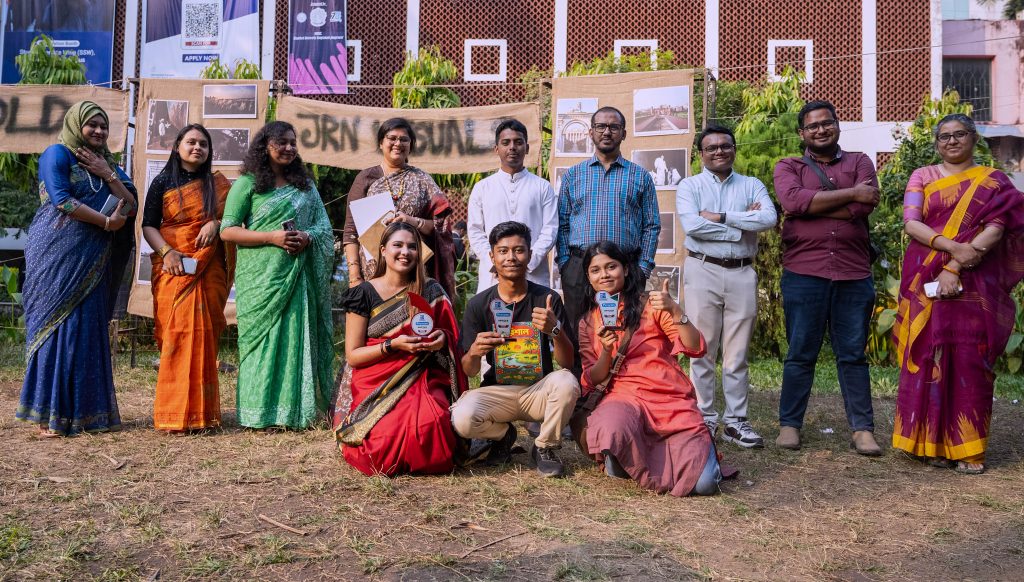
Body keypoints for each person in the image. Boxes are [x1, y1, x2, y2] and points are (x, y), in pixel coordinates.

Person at [892, 114, 1024, 475]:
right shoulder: (922, 176)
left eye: (959, 134)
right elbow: (911, 222)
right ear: (937, 143)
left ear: (974, 138)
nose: (951, 141)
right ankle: (930, 444)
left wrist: (955, 266)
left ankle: (968, 449)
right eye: (944, 136)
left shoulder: (994, 181)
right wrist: (952, 248)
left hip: (975, 280)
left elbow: (998, 227)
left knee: (970, 358)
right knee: (929, 353)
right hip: (926, 277)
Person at [16, 100, 137, 436]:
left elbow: (130, 203)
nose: (98, 131)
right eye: (91, 124)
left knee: (86, 330)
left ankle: (86, 414)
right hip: (55, 254)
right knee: (54, 329)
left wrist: (107, 173)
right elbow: (62, 201)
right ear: (75, 125)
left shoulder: (107, 163)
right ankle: (48, 417)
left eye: (103, 126)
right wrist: (106, 223)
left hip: (92, 260)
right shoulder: (57, 154)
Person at [772, 100, 881, 455]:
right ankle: (790, 425)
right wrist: (850, 194)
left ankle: (862, 430)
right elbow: (792, 202)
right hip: (804, 272)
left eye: (826, 123)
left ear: (837, 125)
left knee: (852, 354)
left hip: (853, 272)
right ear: (802, 133)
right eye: (812, 126)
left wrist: (814, 204)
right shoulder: (789, 166)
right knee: (800, 352)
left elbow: (867, 204)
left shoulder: (860, 161)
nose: (820, 129)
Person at [577, 241, 721, 496]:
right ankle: (627, 454)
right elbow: (592, 379)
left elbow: (696, 347)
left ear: (626, 269)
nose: (604, 275)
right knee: (612, 432)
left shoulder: (653, 306)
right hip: (624, 400)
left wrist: (675, 310)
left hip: (669, 400)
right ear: (588, 278)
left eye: (611, 266)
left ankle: (700, 445)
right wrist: (607, 351)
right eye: (595, 270)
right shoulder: (588, 322)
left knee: (705, 485)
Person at [220, 121, 334, 430]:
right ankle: (257, 412)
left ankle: (292, 412)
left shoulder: (305, 185)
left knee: (294, 338)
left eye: (293, 143)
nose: (288, 148)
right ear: (264, 145)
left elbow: (323, 228)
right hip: (261, 278)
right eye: (281, 142)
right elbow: (227, 230)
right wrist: (272, 237)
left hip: (297, 276)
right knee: (261, 342)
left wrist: (307, 237)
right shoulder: (247, 183)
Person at [336, 221, 467, 476]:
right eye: (398, 245)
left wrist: (442, 339)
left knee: (432, 423)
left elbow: (453, 339)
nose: (405, 252)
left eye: (412, 246)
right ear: (383, 250)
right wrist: (392, 345)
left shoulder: (431, 290)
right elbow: (353, 356)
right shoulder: (363, 293)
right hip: (376, 382)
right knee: (381, 445)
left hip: (423, 377)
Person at [676, 125, 777, 447]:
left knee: (738, 353)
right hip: (702, 269)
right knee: (702, 349)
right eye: (711, 147)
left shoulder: (751, 185)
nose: (719, 151)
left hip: (742, 272)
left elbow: (768, 219)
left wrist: (719, 217)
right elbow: (692, 226)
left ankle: (736, 421)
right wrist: (740, 225)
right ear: (701, 154)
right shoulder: (689, 186)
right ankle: (704, 418)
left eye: (725, 146)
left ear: (734, 149)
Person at [452, 221, 579, 478]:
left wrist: (555, 330)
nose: (511, 257)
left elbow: (567, 362)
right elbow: (469, 370)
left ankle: (544, 446)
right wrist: (475, 351)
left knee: (567, 382)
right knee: (462, 418)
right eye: (503, 251)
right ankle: (503, 435)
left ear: (530, 255)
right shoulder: (479, 304)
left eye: (519, 250)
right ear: (492, 257)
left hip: (538, 391)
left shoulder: (547, 299)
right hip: (497, 392)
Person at [142, 124, 232, 433]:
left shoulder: (217, 185)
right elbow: (148, 225)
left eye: (203, 144)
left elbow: (235, 219)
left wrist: (216, 223)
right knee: (176, 335)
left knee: (204, 335)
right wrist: (167, 252)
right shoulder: (162, 181)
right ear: (177, 146)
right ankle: (172, 413)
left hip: (208, 270)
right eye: (191, 142)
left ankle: (203, 414)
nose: (197, 148)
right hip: (173, 268)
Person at [556, 106, 660, 327]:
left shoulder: (640, 176)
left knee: (625, 331)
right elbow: (562, 224)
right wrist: (566, 264)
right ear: (591, 132)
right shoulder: (573, 175)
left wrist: (642, 268)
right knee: (578, 331)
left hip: (626, 268)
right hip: (579, 269)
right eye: (600, 126)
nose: (606, 132)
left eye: (614, 127)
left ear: (623, 133)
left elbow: (651, 226)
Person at [343, 117, 457, 297]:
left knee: (415, 314)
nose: (398, 143)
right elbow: (351, 231)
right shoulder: (366, 178)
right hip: (373, 274)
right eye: (392, 138)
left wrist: (413, 221)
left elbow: (441, 227)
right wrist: (355, 277)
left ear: (411, 145)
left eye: (404, 139)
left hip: (413, 272)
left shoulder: (422, 180)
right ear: (381, 143)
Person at [467, 119, 557, 292]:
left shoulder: (542, 187)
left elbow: (550, 229)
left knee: (535, 310)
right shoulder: (482, 188)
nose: (512, 147)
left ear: (527, 148)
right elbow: (475, 231)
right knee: (492, 310)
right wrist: (494, 262)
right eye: (506, 143)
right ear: (496, 149)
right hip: (493, 276)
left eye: (518, 142)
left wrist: (529, 260)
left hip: (533, 273)